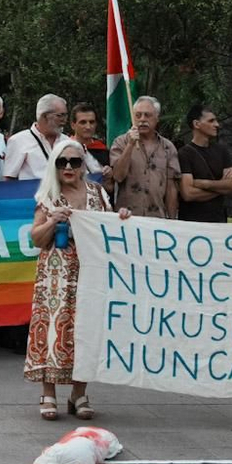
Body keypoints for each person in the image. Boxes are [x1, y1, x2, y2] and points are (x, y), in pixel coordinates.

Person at [29, 137, 129, 421]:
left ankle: (79, 392)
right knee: (53, 326)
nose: (69, 167)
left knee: (87, 329)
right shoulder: (49, 195)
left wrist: (121, 217)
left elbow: (111, 230)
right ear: (55, 166)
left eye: (75, 161)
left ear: (84, 165)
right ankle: (48, 392)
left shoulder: (98, 193)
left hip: (91, 270)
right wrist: (51, 220)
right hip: (57, 273)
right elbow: (36, 239)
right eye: (63, 162)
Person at [107, 95, 180, 219]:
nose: (142, 119)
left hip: (156, 218)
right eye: (138, 115)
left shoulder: (168, 147)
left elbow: (171, 187)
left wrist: (172, 220)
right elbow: (118, 176)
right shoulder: (120, 142)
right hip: (126, 217)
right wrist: (130, 145)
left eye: (147, 115)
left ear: (157, 118)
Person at [177, 104, 232, 225]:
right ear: (196, 124)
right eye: (211, 121)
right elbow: (188, 194)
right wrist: (222, 188)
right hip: (193, 223)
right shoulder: (184, 154)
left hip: (219, 222)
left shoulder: (222, 151)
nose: (217, 125)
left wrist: (203, 183)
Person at [4, 95, 72, 181]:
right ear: (44, 116)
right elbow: (9, 179)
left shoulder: (67, 142)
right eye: (60, 115)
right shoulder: (18, 141)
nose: (64, 120)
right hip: (30, 193)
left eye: (65, 115)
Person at [71, 103, 110, 171]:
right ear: (73, 125)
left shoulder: (102, 149)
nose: (88, 127)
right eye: (83, 122)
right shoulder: (65, 148)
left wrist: (109, 174)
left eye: (91, 122)